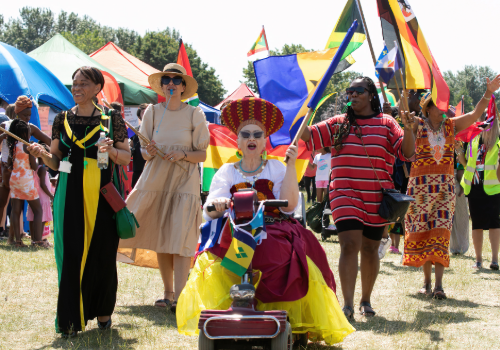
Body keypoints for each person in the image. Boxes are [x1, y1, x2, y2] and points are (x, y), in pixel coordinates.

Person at [177, 97, 355, 345]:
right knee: (217, 256)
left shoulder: (276, 168)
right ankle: (235, 309)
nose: (251, 138)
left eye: (257, 134)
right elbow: (212, 209)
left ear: (264, 142)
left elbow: (290, 205)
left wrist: (291, 164)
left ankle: (277, 315)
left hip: (273, 226)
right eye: (245, 134)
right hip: (236, 229)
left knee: (276, 252)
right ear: (237, 141)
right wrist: (217, 205)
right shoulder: (227, 171)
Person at [301, 76, 416, 319]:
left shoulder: (387, 123)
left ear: (372, 94)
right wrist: (300, 109)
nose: (352, 94)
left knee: (370, 248)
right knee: (349, 245)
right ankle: (348, 304)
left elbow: (406, 153)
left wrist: (408, 128)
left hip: (376, 197)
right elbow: (308, 136)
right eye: (349, 91)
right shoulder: (338, 123)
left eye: (358, 90)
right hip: (344, 194)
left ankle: (366, 300)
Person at [28, 66, 130, 336]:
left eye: (83, 83)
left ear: (98, 88)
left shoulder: (111, 120)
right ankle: (70, 321)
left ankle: (104, 315)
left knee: (103, 253)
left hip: (104, 194)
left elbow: (126, 157)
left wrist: (111, 151)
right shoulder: (62, 119)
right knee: (71, 254)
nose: (77, 88)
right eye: (74, 84)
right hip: (69, 191)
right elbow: (55, 160)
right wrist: (41, 154)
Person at [118, 63, 209, 312]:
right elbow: (144, 150)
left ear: (183, 87)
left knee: (180, 237)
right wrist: (150, 150)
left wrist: (182, 153)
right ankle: (167, 293)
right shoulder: (153, 112)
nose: (171, 83)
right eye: (166, 79)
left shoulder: (195, 114)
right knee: (161, 237)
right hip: (155, 179)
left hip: (184, 182)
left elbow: (201, 154)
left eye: (176, 80)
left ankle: (181, 297)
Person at [403, 74, 500, 299]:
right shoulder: (416, 124)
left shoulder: (451, 126)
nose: (443, 110)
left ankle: (439, 285)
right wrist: (406, 121)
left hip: (444, 193)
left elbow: (476, 115)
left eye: (445, 106)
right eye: (439, 106)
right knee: (424, 234)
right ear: (428, 109)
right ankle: (426, 283)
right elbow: (406, 139)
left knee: (441, 234)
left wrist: (488, 93)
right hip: (420, 192)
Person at [0, 96, 51, 244]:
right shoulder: (7, 126)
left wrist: (44, 150)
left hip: (12, 172)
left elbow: (48, 141)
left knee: (16, 208)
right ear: (17, 114)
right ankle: (30, 239)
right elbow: (33, 166)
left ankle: (14, 238)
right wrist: (3, 135)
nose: (28, 118)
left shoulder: (30, 128)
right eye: (25, 115)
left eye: (29, 115)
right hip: (14, 174)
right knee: (4, 203)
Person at [456, 111, 500, 270]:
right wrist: (459, 152)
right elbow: (468, 164)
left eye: (482, 120)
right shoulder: (473, 139)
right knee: (476, 224)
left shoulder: (498, 140)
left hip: (493, 187)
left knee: (495, 223)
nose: (480, 123)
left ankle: (494, 260)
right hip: (474, 187)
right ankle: (479, 260)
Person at [6, 119, 45, 248]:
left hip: (14, 179)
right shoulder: (27, 146)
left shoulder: (13, 144)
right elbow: (34, 167)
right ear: (24, 134)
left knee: (15, 211)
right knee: (38, 210)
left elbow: (8, 163)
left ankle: (18, 241)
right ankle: (37, 240)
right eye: (28, 133)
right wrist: (40, 160)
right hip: (26, 181)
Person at [27, 144, 54, 244]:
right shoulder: (42, 169)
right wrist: (51, 196)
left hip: (36, 197)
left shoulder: (37, 168)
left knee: (33, 218)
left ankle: (34, 239)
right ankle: (40, 239)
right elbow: (43, 185)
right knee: (41, 220)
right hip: (43, 198)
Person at [130, 103, 148, 187]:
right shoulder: (133, 129)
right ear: (139, 115)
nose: (145, 114)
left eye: (147, 112)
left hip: (151, 168)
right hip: (138, 167)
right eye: (143, 112)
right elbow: (127, 143)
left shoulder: (157, 131)